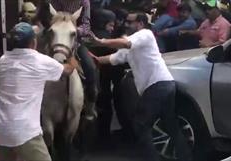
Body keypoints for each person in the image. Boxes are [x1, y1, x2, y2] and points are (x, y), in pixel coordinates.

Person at [91, 12, 192, 161]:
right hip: (165, 85)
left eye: (130, 22)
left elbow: (125, 43)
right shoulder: (130, 47)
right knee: (171, 125)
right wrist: (94, 58)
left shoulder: (146, 34)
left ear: (140, 23)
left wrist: (102, 42)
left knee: (140, 124)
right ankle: (186, 157)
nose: (126, 24)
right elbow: (112, 59)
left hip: (157, 86)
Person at [0, 22, 78, 161]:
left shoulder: (4, 60)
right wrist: (71, 54)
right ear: (33, 42)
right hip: (24, 130)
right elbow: (68, 70)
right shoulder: (41, 61)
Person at [38, 0, 98, 120]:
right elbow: (43, 20)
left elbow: (86, 26)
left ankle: (90, 105)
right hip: (53, 39)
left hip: (73, 40)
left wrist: (71, 28)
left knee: (90, 68)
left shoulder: (84, 2)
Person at [90, 9, 124, 141]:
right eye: (110, 25)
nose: (112, 28)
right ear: (103, 23)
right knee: (105, 110)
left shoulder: (87, 40)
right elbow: (117, 66)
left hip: (88, 86)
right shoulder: (110, 43)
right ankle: (104, 139)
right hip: (103, 86)